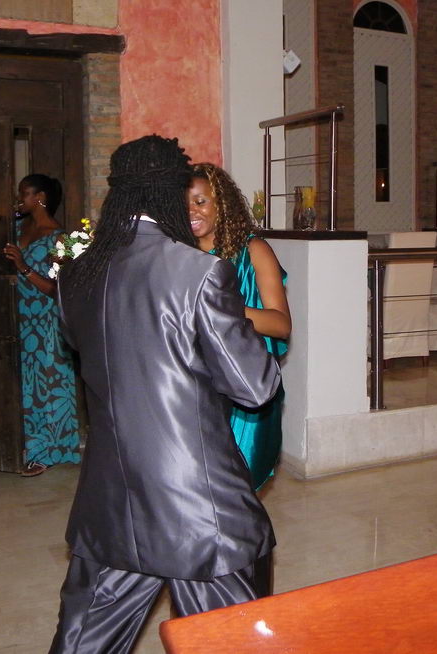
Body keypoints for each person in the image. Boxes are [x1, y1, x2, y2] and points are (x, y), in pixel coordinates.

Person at [50, 135, 281, 654]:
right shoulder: (199, 272)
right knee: (228, 641)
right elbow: (255, 387)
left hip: (112, 499)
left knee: (84, 642)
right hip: (196, 503)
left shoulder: (75, 273)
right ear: (172, 193)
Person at [189, 163, 291, 490]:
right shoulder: (177, 255)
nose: (192, 211)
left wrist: (224, 309)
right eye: (184, 203)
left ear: (221, 203)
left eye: (201, 201)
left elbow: (281, 325)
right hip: (196, 389)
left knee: (240, 485)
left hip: (246, 387)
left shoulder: (253, 250)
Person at [3, 174, 81, 476]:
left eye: (24, 193)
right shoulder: (17, 228)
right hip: (17, 317)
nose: (18, 199)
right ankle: (26, 445)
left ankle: (47, 451)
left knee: (47, 385)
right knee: (23, 384)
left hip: (45, 321)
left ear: (40, 198)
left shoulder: (63, 239)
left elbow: (57, 289)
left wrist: (23, 267)